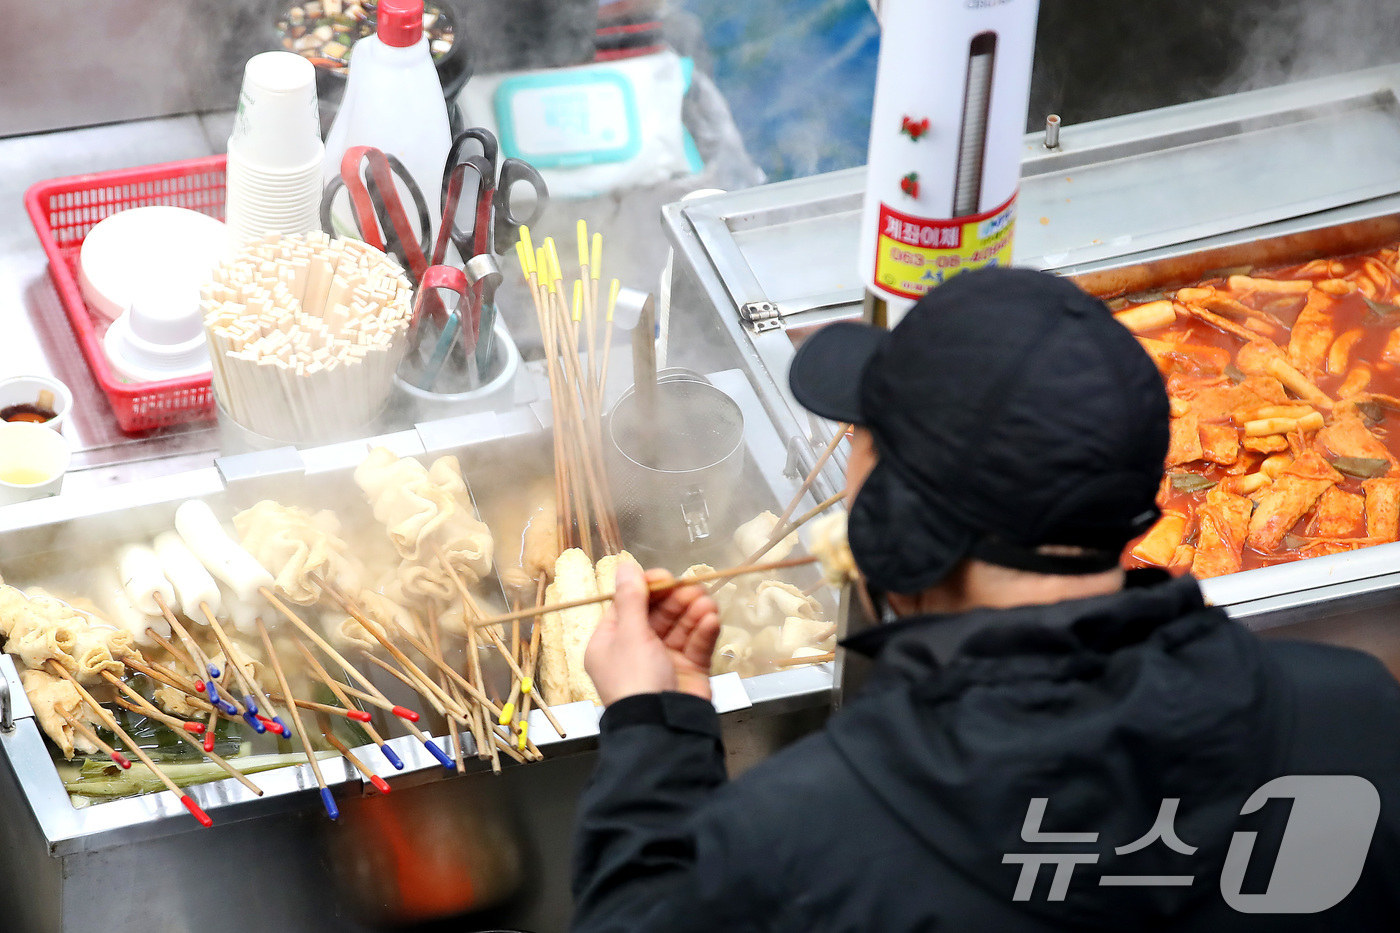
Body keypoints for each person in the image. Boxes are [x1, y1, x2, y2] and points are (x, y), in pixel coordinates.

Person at [571, 268, 1400, 932]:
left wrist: (657, 728)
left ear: (897, 531)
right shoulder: (1355, 718)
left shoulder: (812, 833)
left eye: (862, 445)